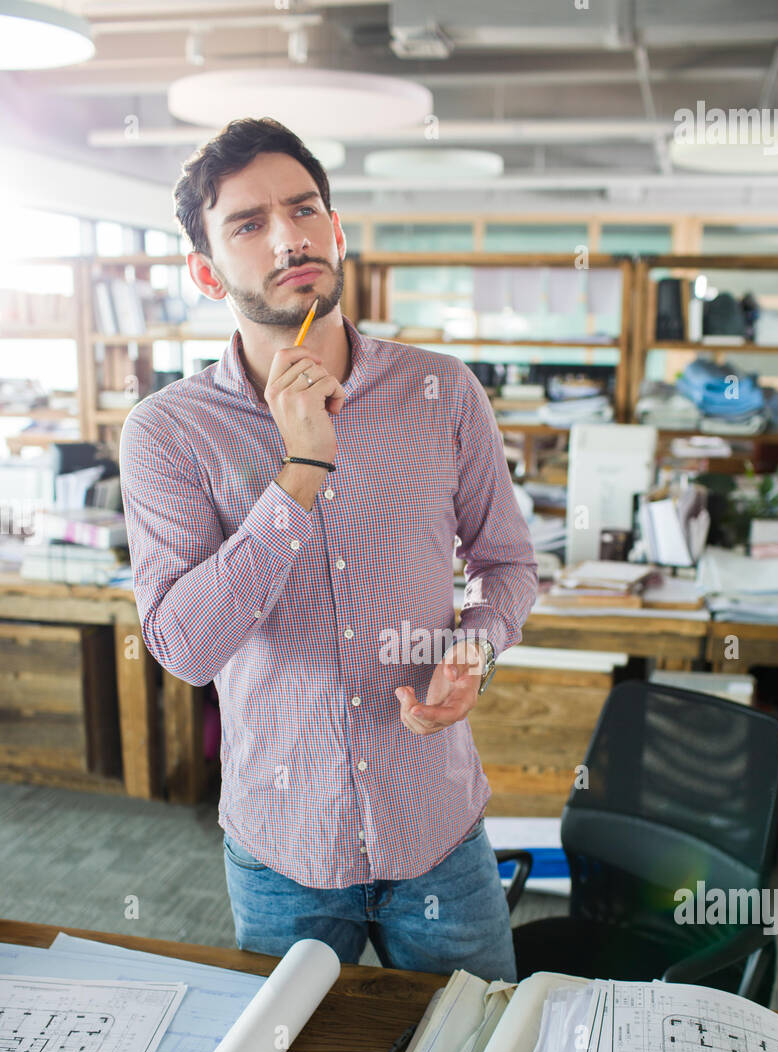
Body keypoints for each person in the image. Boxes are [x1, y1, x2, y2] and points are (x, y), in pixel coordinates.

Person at [119, 117, 538, 979]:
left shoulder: (442, 390)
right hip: (285, 851)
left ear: (336, 232)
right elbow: (185, 650)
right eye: (248, 223)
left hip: (437, 828)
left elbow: (508, 564)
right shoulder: (168, 433)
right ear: (206, 271)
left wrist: (478, 648)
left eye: (305, 209)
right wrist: (299, 474)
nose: (289, 236)